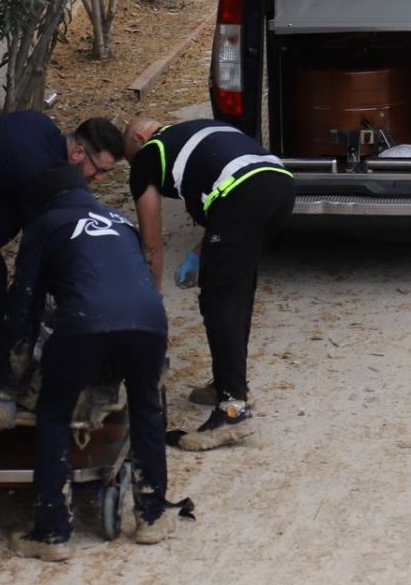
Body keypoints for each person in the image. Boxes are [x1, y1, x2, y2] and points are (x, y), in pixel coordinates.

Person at [1, 163, 173, 561]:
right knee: (146, 407)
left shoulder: (45, 225)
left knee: (54, 413)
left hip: (84, 322)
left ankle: (52, 531)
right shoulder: (121, 220)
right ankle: (151, 514)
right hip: (148, 321)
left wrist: (10, 383)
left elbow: (23, 307)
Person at [0, 111, 125, 433]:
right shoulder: (40, 173)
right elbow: (37, 260)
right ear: (77, 153)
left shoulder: (44, 127)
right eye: (98, 170)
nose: (98, 179)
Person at [124, 117, 295, 451]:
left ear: (140, 136)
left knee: (220, 300)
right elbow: (226, 202)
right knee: (237, 289)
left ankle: (233, 409)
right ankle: (229, 383)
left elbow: (152, 243)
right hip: (280, 187)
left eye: (131, 158)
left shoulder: (150, 152)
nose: (137, 168)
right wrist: (198, 255)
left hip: (243, 196)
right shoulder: (200, 131)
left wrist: (152, 294)